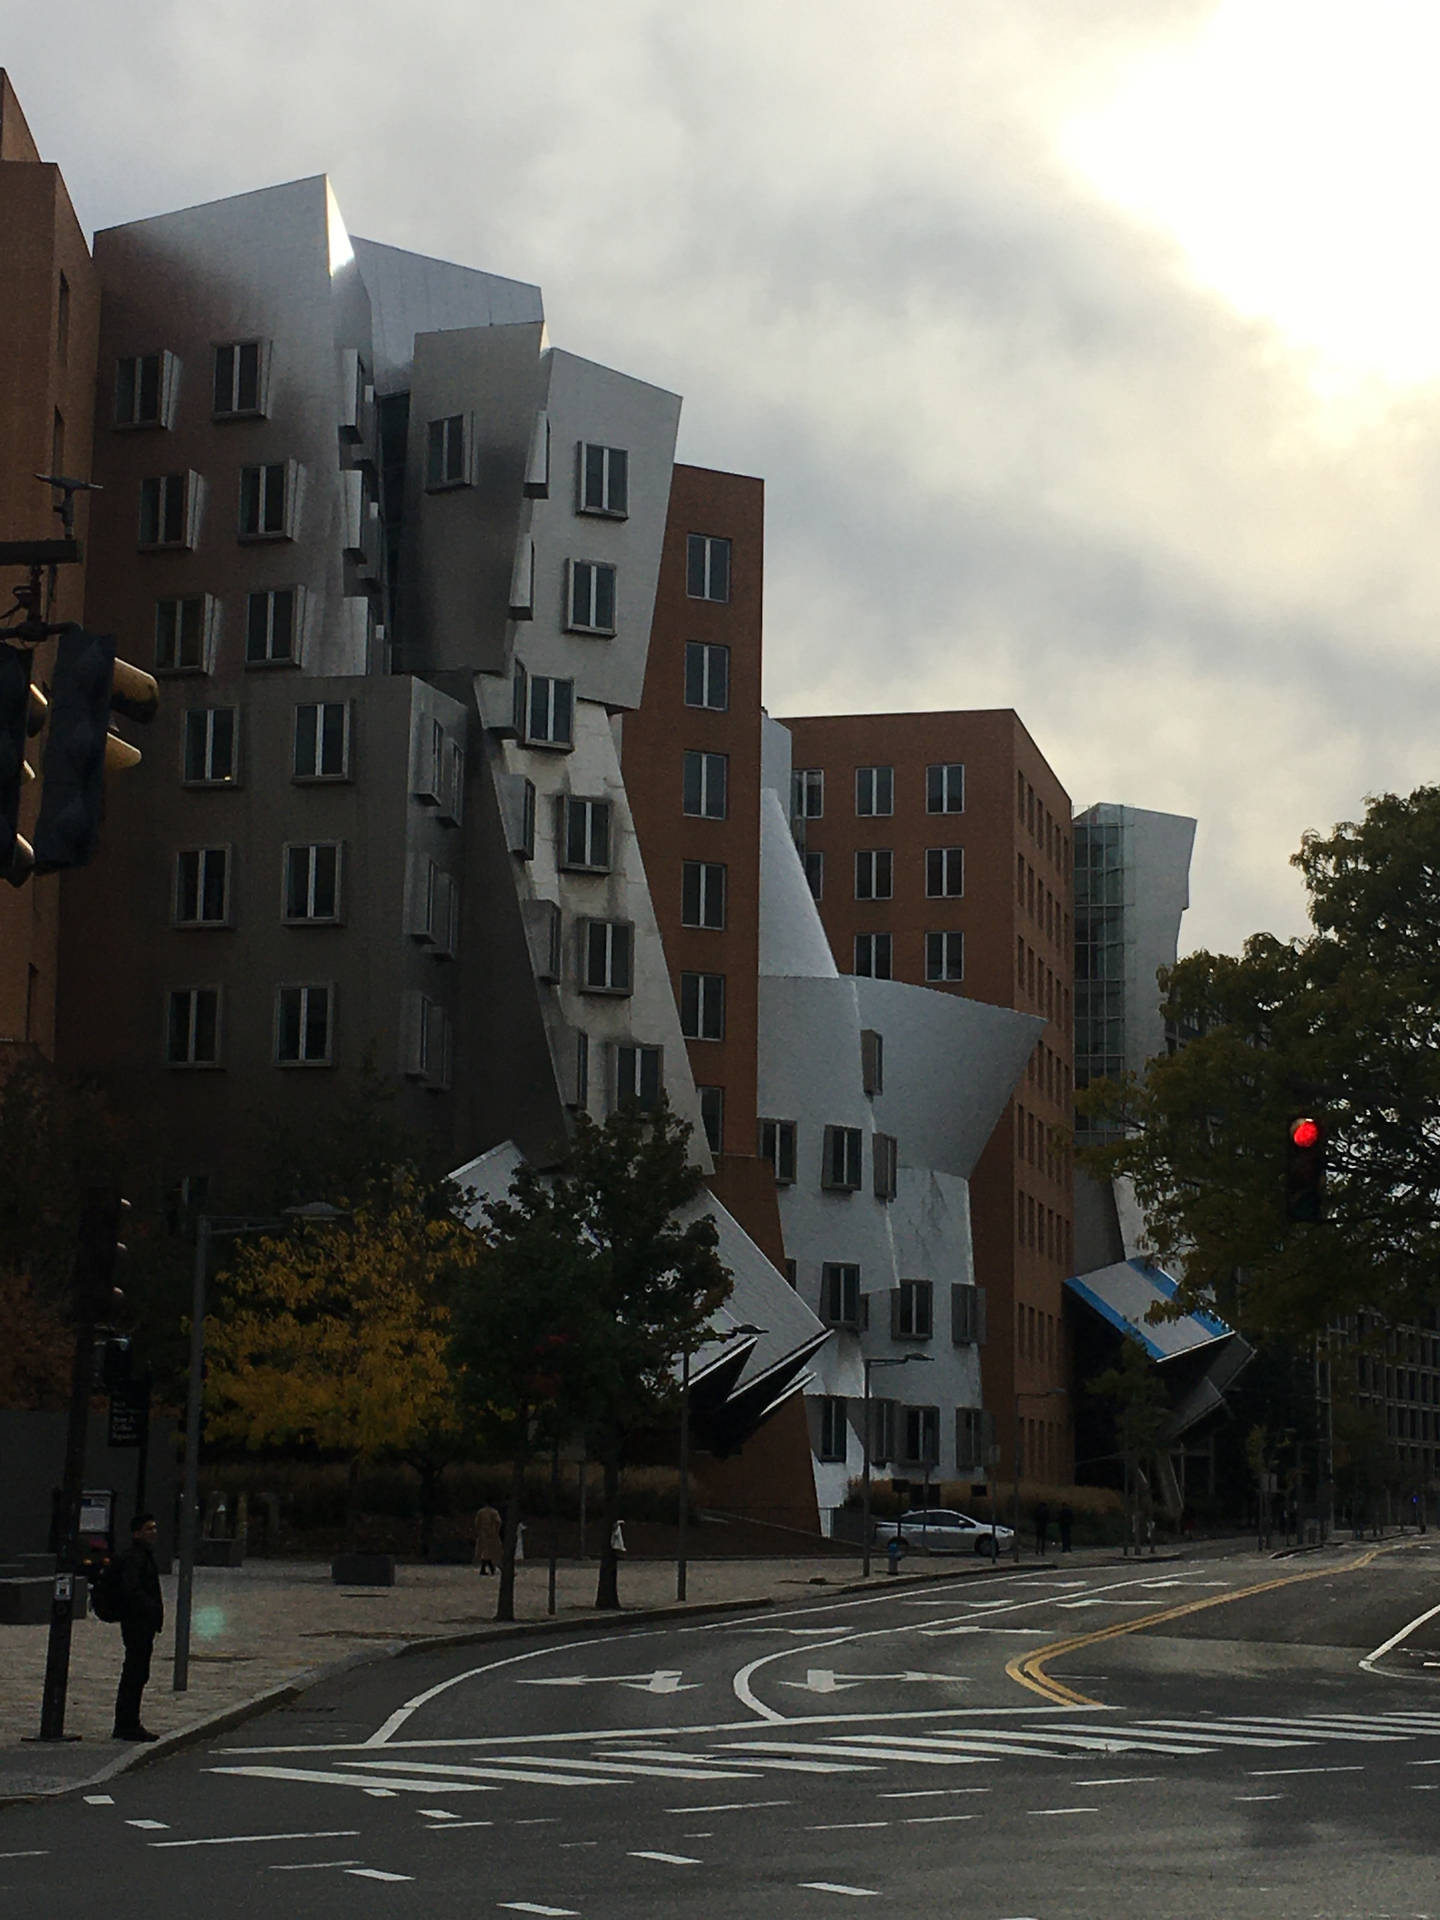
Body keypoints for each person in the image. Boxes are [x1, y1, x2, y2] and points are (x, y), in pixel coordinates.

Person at [113, 1512, 163, 1741]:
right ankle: (127, 1724)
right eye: (148, 1529)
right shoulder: (135, 1557)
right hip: (137, 1623)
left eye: (154, 1528)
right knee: (135, 1672)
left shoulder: (143, 1555)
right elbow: (131, 1589)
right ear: (136, 1533)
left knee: (138, 1672)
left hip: (141, 1622)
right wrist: (149, 1607)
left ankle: (128, 1722)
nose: (153, 1532)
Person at [474, 1502, 502, 1576]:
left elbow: (476, 1523)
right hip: (492, 1535)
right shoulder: (494, 1512)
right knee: (494, 1552)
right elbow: (498, 1522)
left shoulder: (480, 1512)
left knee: (485, 1552)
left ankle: (487, 1568)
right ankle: (492, 1567)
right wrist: (496, 1531)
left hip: (483, 1534)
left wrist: (479, 1531)